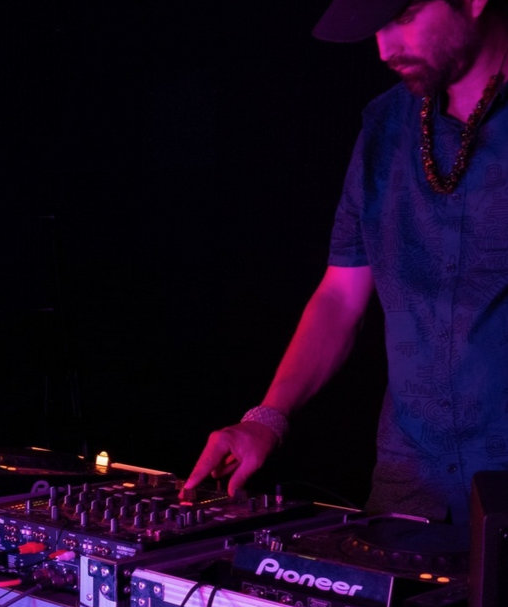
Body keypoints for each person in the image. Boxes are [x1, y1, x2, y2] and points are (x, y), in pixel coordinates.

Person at [181, 0, 508, 526]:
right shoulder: (384, 128)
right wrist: (267, 418)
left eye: (403, 16)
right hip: (410, 487)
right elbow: (340, 296)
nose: (384, 48)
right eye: (376, 26)